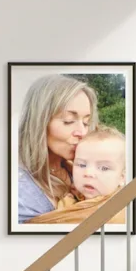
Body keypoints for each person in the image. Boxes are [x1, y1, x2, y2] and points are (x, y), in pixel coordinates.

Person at [17, 74, 97, 223]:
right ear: (39, 122)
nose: (83, 132)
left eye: (86, 122)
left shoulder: (78, 168)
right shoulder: (19, 192)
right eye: (69, 121)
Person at [27, 126, 127, 226]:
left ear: (122, 177)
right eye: (82, 165)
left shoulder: (117, 215)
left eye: (104, 168)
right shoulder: (76, 198)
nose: (88, 173)